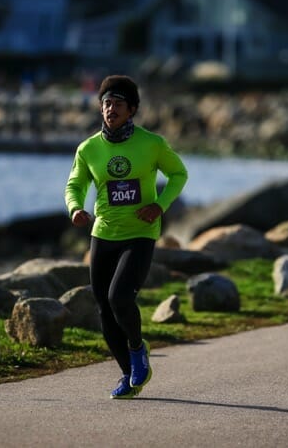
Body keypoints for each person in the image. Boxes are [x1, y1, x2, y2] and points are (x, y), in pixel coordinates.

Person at [64, 75, 188, 399]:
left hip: (140, 234)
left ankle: (137, 350)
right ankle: (127, 375)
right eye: (106, 103)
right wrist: (75, 208)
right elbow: (75, 185)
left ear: (131, 109)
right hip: (103, 233)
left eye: (117, 104)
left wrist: (160, 206)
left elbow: (179, 174)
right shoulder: (89, 148)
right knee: (104, 308)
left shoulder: (152, 144)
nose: (110, 109)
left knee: (120, 297)